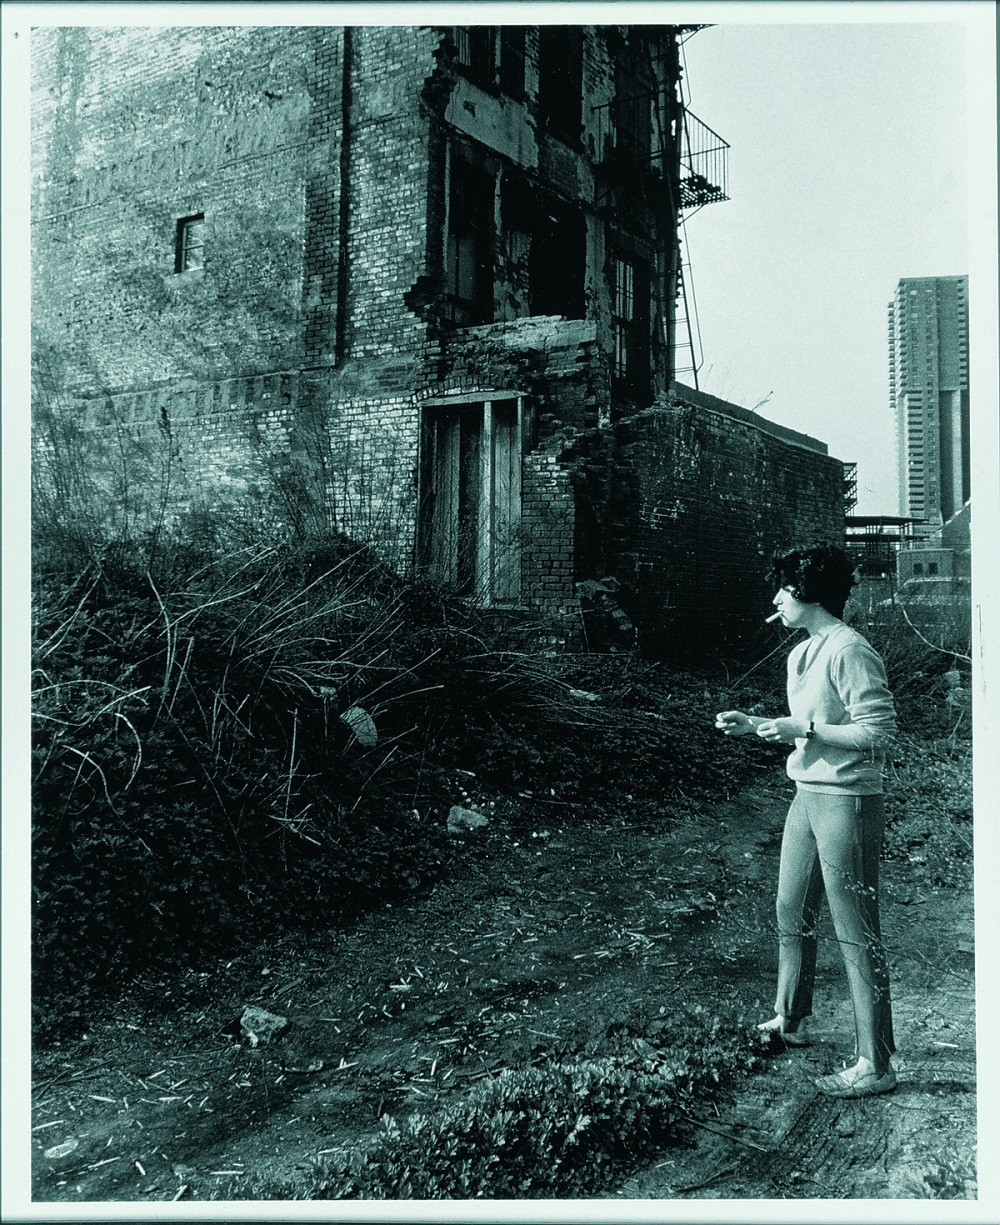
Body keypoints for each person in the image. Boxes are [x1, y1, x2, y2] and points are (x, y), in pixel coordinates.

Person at [715, 543, 898, 1099]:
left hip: (848, 801)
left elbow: (878, 733)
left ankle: (876, 1063)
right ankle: (790, 1019)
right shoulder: (803, 651)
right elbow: (809, 723)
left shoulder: (850, 649)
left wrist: (806, 730)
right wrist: (757, 723)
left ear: (809, 593)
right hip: (807, 794)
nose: (776, 598)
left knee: (855, 929)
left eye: (784, 589)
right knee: (791, 907)